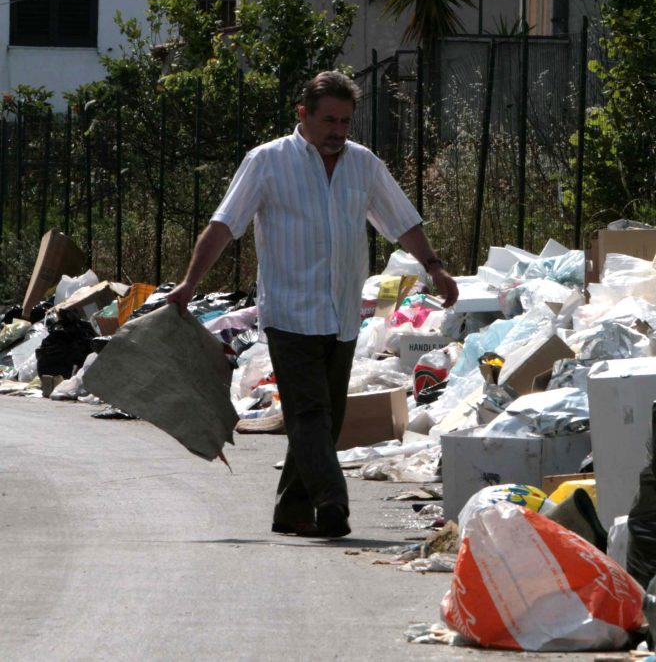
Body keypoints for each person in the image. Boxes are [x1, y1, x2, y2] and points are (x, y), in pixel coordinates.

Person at [166, 70, 458, 538]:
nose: (337, 132)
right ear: (302, 115)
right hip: (288, 312)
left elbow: (402, 220)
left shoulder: (362, 165)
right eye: (328, 121)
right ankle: (332, 501)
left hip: (341, 315)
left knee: (328, 418)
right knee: (308, 414)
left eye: (345, 121)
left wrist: (435, 265)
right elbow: (224, 225)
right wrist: (187, 283)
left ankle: (291, 511)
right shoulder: (267, 162)